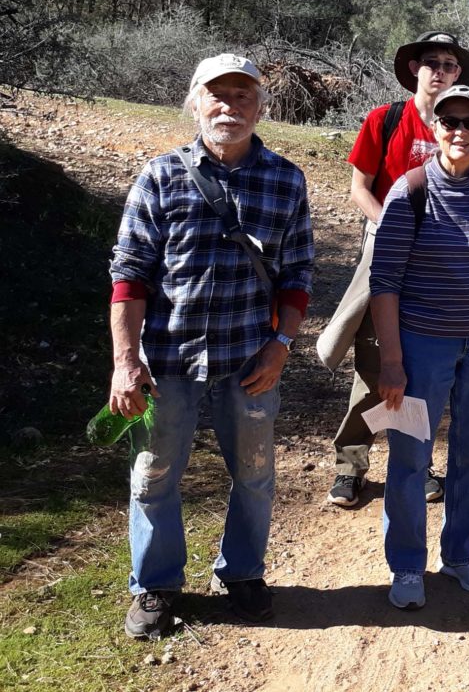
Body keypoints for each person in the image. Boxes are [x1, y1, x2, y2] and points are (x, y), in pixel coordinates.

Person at [108, 54, 314, 638]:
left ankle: (244, 573)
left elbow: (297, 276)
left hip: (250, 359)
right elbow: (129, 275)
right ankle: (154, 585)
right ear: (195, 102)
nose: (230, 106)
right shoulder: (159, 176)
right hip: (167, 360)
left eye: (243, 96)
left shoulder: (285, 179)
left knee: (253, 473)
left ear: (261, 108)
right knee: (153, 475)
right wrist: (125, 363)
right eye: (217, 94)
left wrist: (280, 347)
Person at [370, 85, 469, 606]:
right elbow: (385, 282)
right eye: (449, 121)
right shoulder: (409, 191)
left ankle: (461, 554)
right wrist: (391, 362)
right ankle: (407, 566)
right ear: (435, 129)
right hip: (421, 351)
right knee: (411, 458)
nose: (459, 131)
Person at [316, 30, 469, 508]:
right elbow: (360, 188)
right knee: (372, 365)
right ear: (414, 68)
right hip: (385, 257)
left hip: (437, 267)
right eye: (432, 63)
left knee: (422, 366)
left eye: (450, 66)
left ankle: (419, 463)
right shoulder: (385, 120)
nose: (441, 72)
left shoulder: (459, 126)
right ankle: (351, 466)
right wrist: (392, 228)